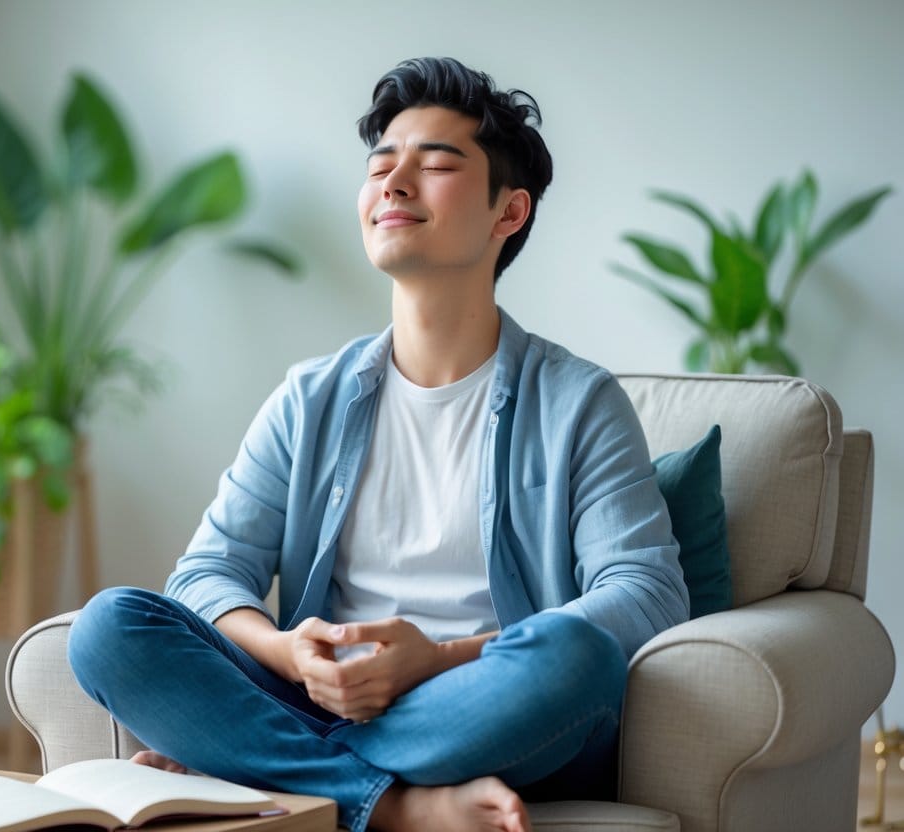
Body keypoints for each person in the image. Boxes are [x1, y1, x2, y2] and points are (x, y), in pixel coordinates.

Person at [68, 56, 688, 832]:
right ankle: (392, 805)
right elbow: (208, 574)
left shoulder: (578, 401)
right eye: (380, 166)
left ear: (508, 213)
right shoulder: (309, 397)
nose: (393, 184)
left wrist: (437, 659)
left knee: (574, 656)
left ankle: (262, 761)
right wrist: (290, 652)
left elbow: (645, 597)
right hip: (320, 693)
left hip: (480, 700)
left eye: (434, 164)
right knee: (109, 627)